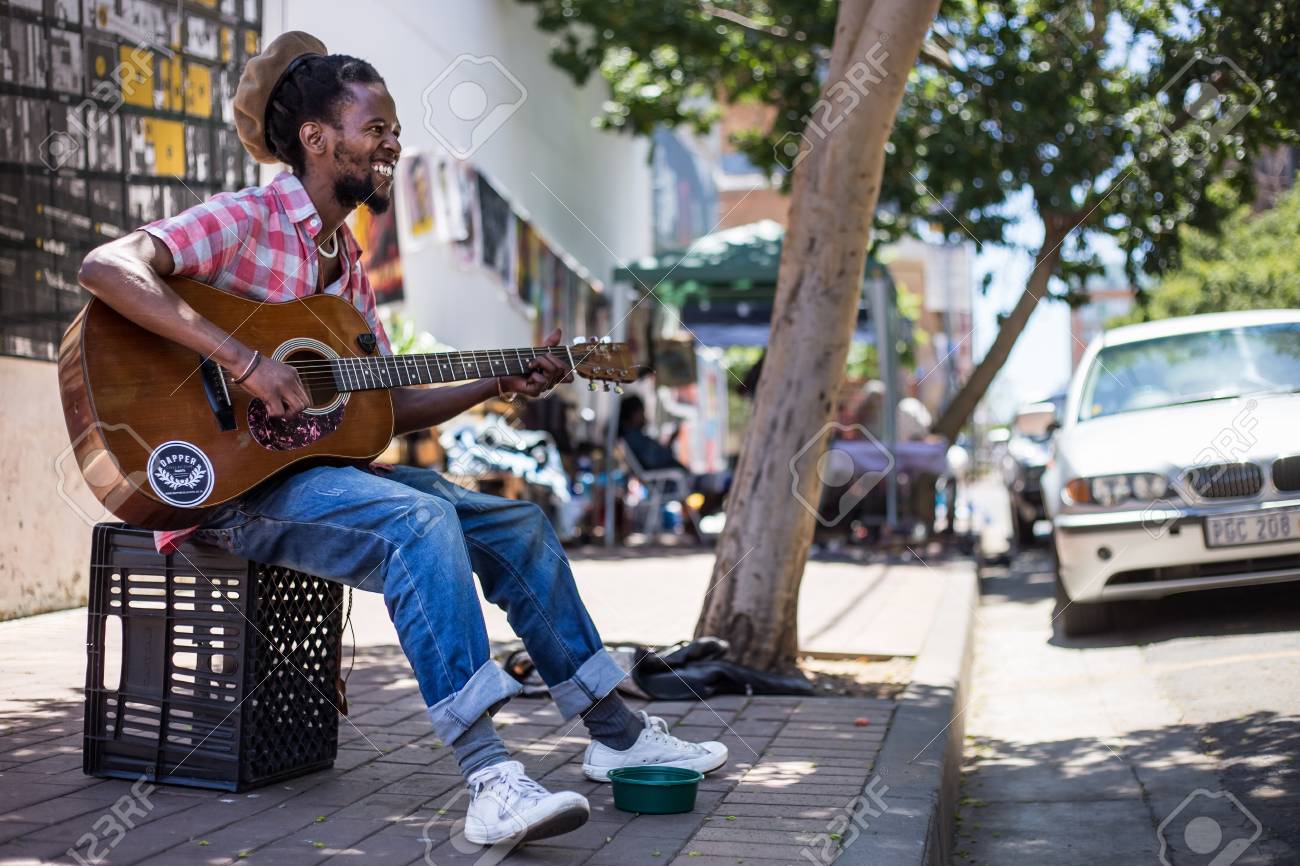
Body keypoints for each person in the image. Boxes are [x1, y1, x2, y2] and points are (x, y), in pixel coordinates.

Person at [75, 32, 726, 848]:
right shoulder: (246, 217)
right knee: (420, 523)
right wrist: (243, 360)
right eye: (375, 128)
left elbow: (383, 407)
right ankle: (490, 776)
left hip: (310, 475)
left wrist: (501, 378)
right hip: (225, 489)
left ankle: (616, 737)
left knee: (515, 525)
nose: (393, 145)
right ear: (317, 139)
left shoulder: (345, 264)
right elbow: (107, 267)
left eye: (392, 130)